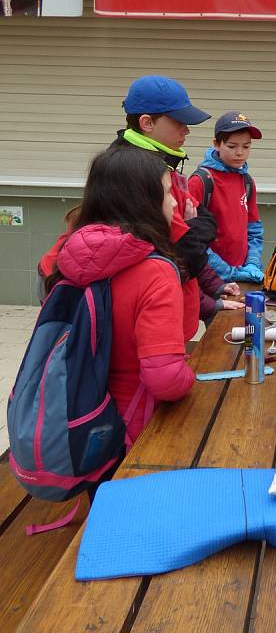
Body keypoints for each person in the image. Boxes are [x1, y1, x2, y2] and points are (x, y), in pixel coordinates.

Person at [47, 146, 196, 446]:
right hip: (135, 427)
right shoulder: (155, 271)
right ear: (145, 202)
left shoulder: (69, 257)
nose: (173, 204)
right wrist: (190, 376)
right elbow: (164, 379)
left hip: (74, 416)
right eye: (167, 193)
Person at [113, 75, 216, 341]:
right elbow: (188, 256)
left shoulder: (160, 164)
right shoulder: (136, 172)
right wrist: (195, 228)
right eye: (179, 122)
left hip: (170, 321)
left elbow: (205, 223)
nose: (187, 130)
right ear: (147, 123)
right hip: (152, 331)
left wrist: (195, 228)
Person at [188, 111, 264, 283]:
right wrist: (227, 272)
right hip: (209, 280)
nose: (239, 153)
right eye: (232, 146)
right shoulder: (201, 181)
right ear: (216, 144)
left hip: (243, 275)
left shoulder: (247, 181)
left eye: (246, 146)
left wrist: (252, 263)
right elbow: (192, 238)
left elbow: (254, 228)